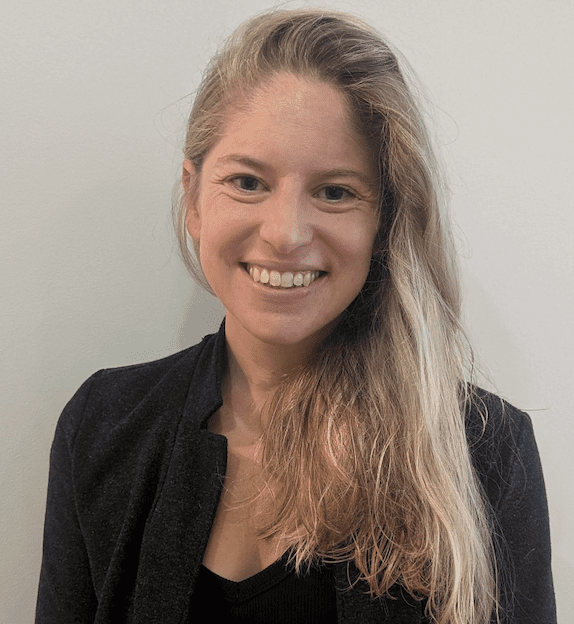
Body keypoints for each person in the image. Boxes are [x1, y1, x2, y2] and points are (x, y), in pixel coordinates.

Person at [35, 8, 556, 624]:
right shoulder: (103, 427)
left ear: (385, 222)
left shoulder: (483, 451)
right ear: (194, 198)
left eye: (336, 191)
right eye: (248, 181)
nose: (286, 234)